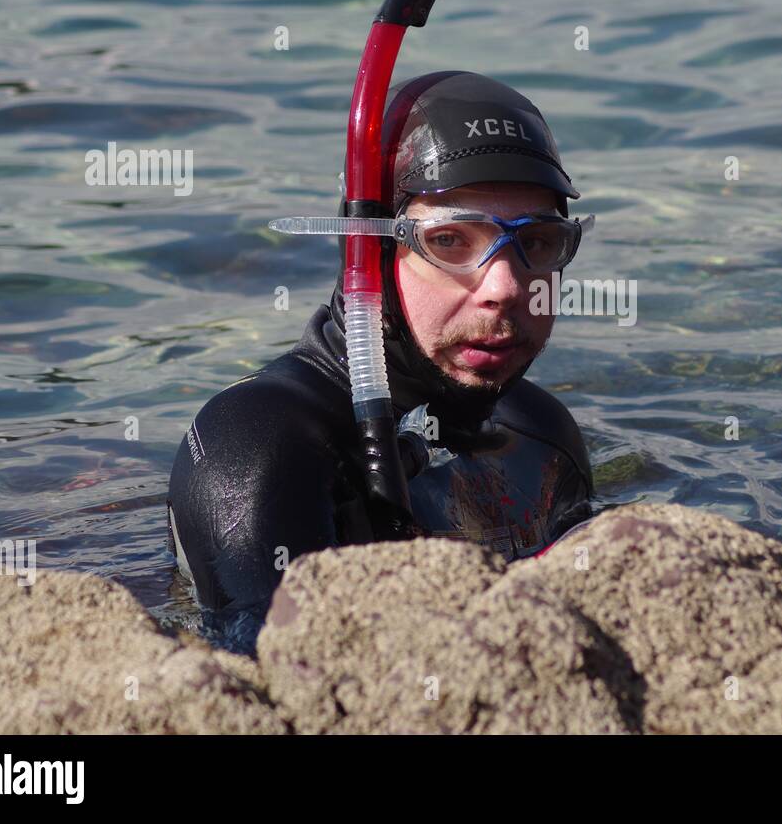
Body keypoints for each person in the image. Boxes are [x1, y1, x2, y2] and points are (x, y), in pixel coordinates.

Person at [167, 71, 596, 646]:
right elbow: (274, 680)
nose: (506, 286)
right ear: (366, 254)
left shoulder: (540, 434)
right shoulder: (258, 445)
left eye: (538, 242)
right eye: (449, 240)